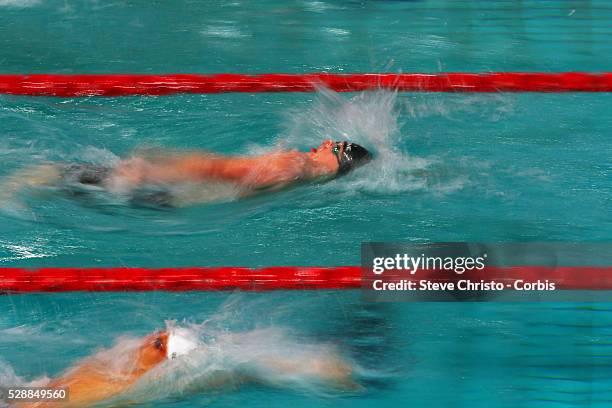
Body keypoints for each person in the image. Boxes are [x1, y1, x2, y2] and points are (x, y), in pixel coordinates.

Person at [12, 327, 356, 408]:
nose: (149, 338)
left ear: (163, 367)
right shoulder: (120, 369)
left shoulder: (112, 387)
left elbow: (44, 400)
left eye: (159, 344)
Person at [2, 140, 372, 206]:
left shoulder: (292, 165)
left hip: (156, 189)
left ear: (338, 154)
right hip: (173, 201)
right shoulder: (307, 181)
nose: (321, 141)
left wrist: (158, 166)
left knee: (54, 173)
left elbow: (218, 169)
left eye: (332, 143)